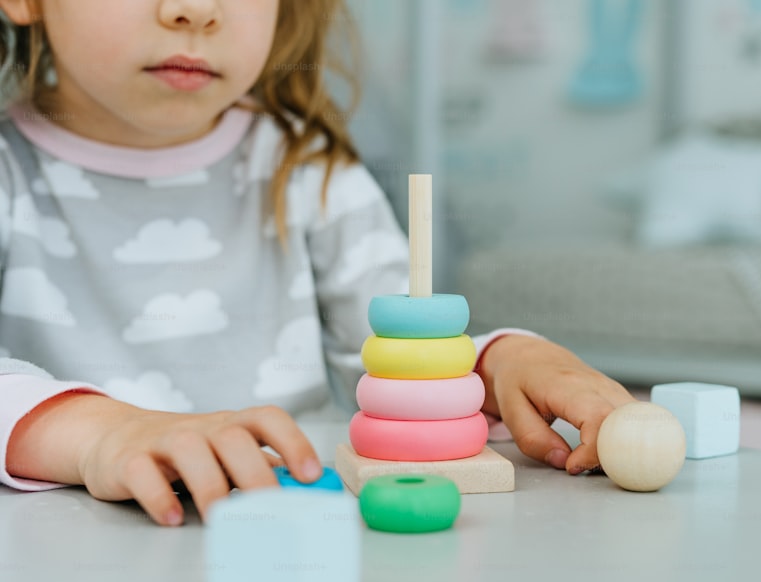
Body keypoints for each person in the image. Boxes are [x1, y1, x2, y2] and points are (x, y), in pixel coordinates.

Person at [0, 0, 634, 526]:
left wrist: (500, 361)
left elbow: (408, 359)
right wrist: (100, 435)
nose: (194, 11)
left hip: (293, 549)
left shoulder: (309, 174)